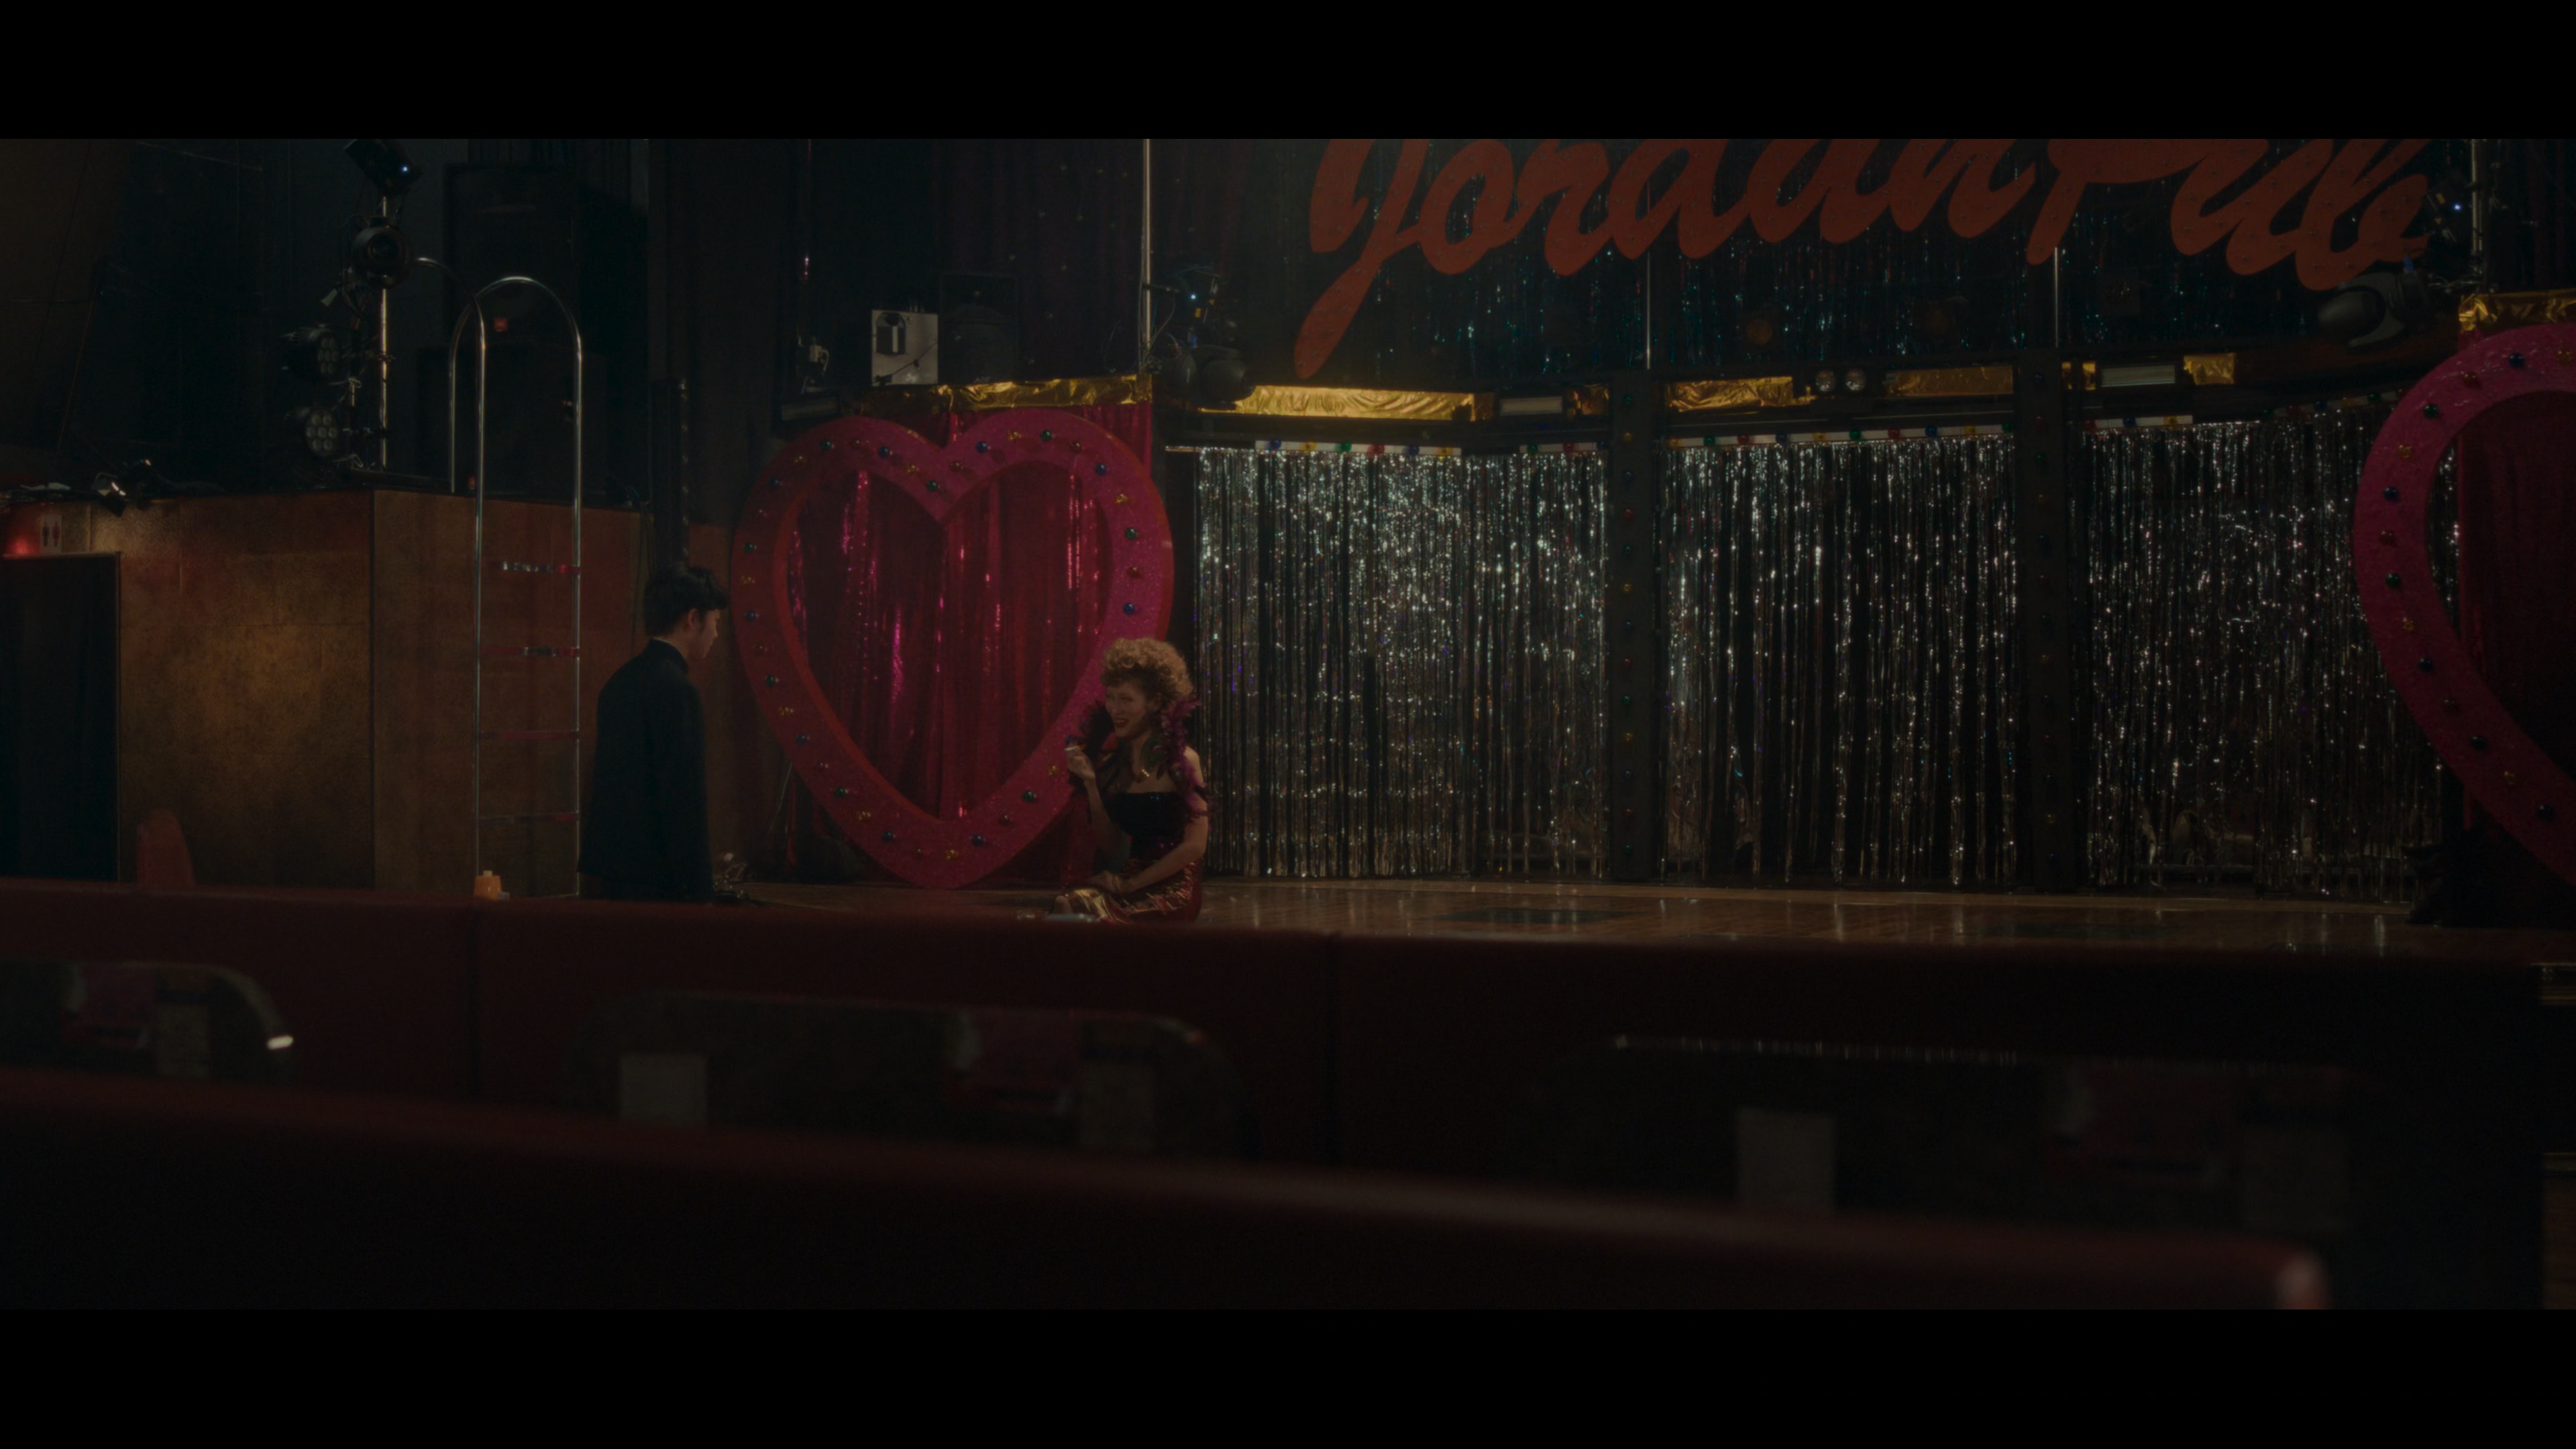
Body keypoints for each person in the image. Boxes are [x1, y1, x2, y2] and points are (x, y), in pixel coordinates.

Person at [580, 563, 729, 902]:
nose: (716, 634)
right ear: (693, 619)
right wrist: (699, 889)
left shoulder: (619, 681)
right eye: (716, 622)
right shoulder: (678, 689)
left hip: (612, 870)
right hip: (660, 875)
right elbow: (683, 796)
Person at [1052, 639, 1210, 924]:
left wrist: (1131, 884)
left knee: (1083, 917)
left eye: (1126, 699)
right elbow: (1112, 846)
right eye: (1111, 697)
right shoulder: (1115, 766)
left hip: (1172, 887)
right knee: (1065, 905)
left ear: (1155, 702)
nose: (1115, 709)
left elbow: (1195, 846)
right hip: (1127, 880)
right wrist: (1091, 785)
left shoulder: (1181, 761)